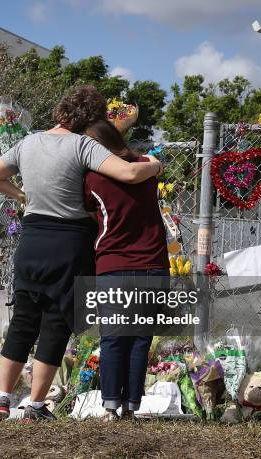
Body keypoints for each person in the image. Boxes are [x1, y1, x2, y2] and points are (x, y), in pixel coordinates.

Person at [0, 86, 163, 423]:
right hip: (69, 243)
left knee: (22, 320)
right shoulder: (84, 145)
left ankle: (2, 398)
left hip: (32, 240)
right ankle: (34, 405)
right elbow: (128, 173)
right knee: (56, 323)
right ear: (91, 118)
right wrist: (154, 165)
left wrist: (23, 197)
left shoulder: (28, 142)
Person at [82, 119, 170, 421]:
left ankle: (110, 407)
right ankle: (132, 407)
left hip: (114, 265)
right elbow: (154, 164)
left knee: (114, 337)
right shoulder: (147, 166)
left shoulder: (92, 178)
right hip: (154, 264)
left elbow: (90, 213)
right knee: (140, 338)